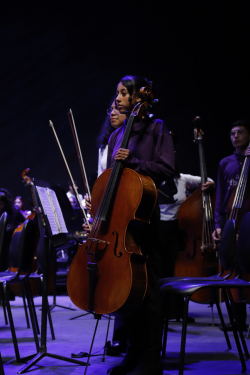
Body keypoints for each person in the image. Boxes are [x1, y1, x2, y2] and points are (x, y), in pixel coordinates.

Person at [104, 75, 175, 375]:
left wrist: (135, 161)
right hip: (119, 220)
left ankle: (151, 357)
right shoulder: (116, 136)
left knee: (149, 291)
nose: (118, 99)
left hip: (145, 219)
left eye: (123, 93)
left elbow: (167, 169)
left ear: (137, 97)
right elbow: (110, 180)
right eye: (118, 93)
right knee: (127, 291)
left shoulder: (157, 128)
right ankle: (132, 353)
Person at [158, 166, 214, 320]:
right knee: (160, 270)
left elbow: (208, 179)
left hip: (177, 229)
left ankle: (177, 311)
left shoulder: (182, 178)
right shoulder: (153, 179)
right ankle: (160, 311)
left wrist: (210, 184)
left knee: (174, 271)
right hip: (157, 228)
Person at [212, 119, 250, 331]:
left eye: (241, 132)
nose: (236, 136)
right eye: (232, 133)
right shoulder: (225, 163)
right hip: (230, 219)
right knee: (232, 268)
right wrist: (218, 224)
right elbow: (220, 197)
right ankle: (238, 319)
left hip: (248, 220)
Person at [0, 188, 25, 271]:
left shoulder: (14, 209)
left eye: (1, 204)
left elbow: (24, 222)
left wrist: (16, 229)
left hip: (10, 244)